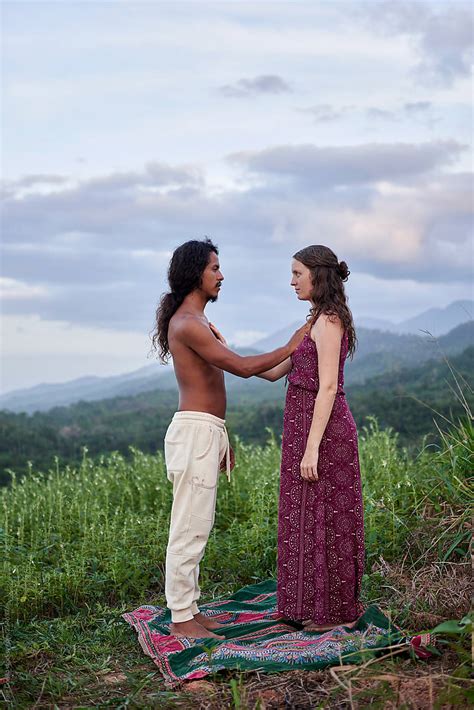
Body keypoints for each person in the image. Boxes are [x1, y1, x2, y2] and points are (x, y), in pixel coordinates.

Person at [150, 238, 309, 639]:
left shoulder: (200, 322)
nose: (221, 276)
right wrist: (292, 343)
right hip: (194, 432)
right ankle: (181, 617)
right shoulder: (187, 323)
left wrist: (222, 436)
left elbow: (220, 381)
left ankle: (190, 608)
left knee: (198, 523)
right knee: (189, 526)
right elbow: (240, 367)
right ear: (195, 274)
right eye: (214, 268)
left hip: (206, 431)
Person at [258, 245, 365, 631]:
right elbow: (273, 373)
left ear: (318, 276)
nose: (291, 281)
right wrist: (219, 351)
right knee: (304, 516)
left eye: (297, 274)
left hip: (325, 432)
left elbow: (329, 387)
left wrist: (312, 447)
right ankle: (304, 605)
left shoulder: (331, 321)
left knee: (329, 518)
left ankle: (333, 612)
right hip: (302, 430)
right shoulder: (312, 322)